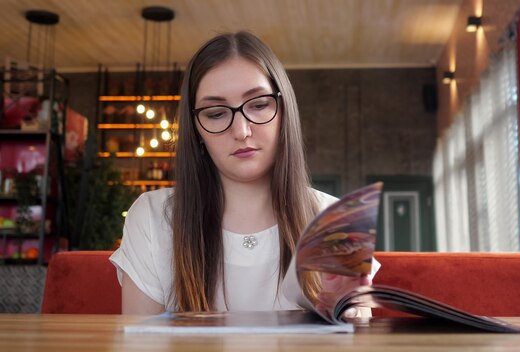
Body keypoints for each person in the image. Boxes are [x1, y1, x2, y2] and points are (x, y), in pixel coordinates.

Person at [110, 31, 377, 315]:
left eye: (259, 105)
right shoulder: (152, 217)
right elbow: (141, 343)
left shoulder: (336, 220)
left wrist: (346, 312)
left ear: (284, 111)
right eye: (216, 113)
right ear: (196, 128)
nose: (241, 131)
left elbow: (355, 340)